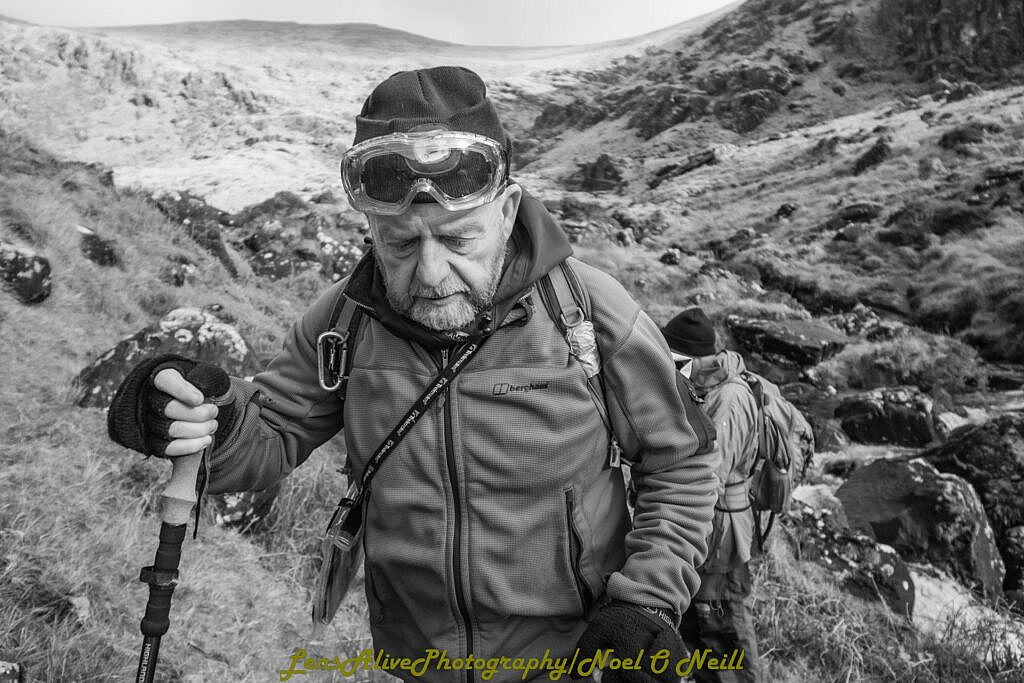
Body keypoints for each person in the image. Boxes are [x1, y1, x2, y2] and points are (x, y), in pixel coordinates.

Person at [108, 66, 719, 683]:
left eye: (457, 239)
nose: (430, 274)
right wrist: (202, 418)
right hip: (413, 663)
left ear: (507, 213)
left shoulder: (587, 310)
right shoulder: (343, 321)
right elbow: (266, 439)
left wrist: (645, 601)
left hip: (571, 659)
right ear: (371, 229)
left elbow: (683, 460)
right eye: (400, 245)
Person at [660, 307, 762, 683]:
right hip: (713, 527)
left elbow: (708, 476)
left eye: (675, 359)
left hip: (721, 535)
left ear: (695, 358)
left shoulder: (728, 401)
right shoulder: (707, 386)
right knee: (701, 627)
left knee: (722, 630)